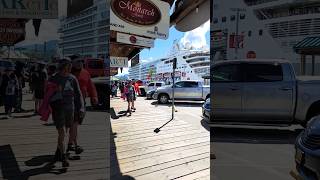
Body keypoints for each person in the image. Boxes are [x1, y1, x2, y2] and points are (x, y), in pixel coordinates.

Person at [48, 58, 84, 167]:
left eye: (69, 67)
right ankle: (63, 157)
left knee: (68, 131)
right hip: (58, 109)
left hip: (70, 109)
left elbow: (78, 95)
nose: (67, 69)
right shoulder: (54, 78)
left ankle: (59, 152)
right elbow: (47, 96)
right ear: (61, 67)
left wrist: (81, 108)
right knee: (62, 132)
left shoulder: (72, 78)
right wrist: (56, 92)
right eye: (65, 67)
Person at [68, 57, 98, 155]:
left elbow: (90, 86)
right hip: (70, 102)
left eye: (81, 61)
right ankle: (74, 145)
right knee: (74, 124)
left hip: (81, 102)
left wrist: (94, 96)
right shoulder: (68, 72)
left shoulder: (85, 72)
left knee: (75, 124)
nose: (80, 63)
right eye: (78, 61)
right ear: (72, 63)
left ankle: (70, 144)